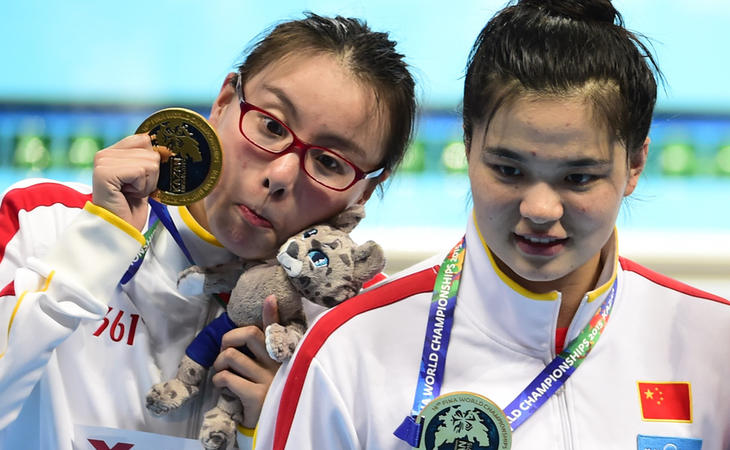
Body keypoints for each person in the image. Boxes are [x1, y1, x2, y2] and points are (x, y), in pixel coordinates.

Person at [254, 1, 730, 449]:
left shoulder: (715, 343)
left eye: (579, 177)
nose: (540, 209)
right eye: (508, 170)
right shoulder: (348, 352)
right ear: (467, 142)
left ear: (636, 164)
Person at [0, 13, 416, 450]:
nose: (281, 174)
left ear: (365, 193)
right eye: (272, 126)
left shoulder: (360, 326)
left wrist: (280, 427)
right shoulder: (44, 222)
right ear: (223, 103)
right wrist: (90, 257)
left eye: (330, 162)